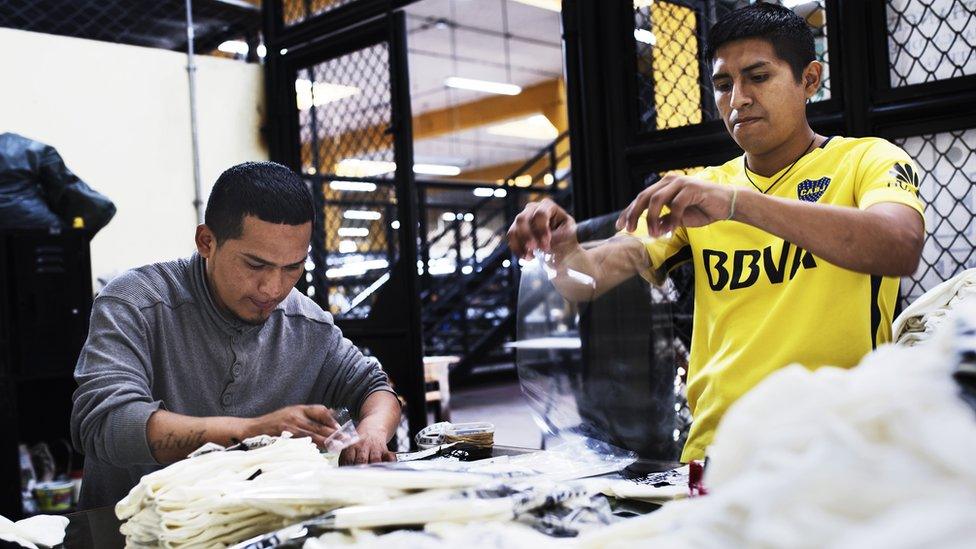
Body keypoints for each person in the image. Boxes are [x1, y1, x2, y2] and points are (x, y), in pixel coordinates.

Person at [507, 3, 925, 462]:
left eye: (758, 77)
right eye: (723, 85)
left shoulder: (865, 160)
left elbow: (899, 245)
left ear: (809, 79)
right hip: (718, 451)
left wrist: (738, 205)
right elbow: (587, 277)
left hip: (839, 447)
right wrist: (560, 248)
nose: (738, 99)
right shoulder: (701, 188)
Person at [71, 161, 400, 508]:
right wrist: (250, 431)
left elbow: (374, 388)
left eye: (292, 268)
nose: (273, 288)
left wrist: (373, 433)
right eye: (255, 265)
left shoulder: (307, 324)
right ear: (206, 241)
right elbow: (107, 423)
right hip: (126, 532)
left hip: (249, 528)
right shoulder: (135, 303)